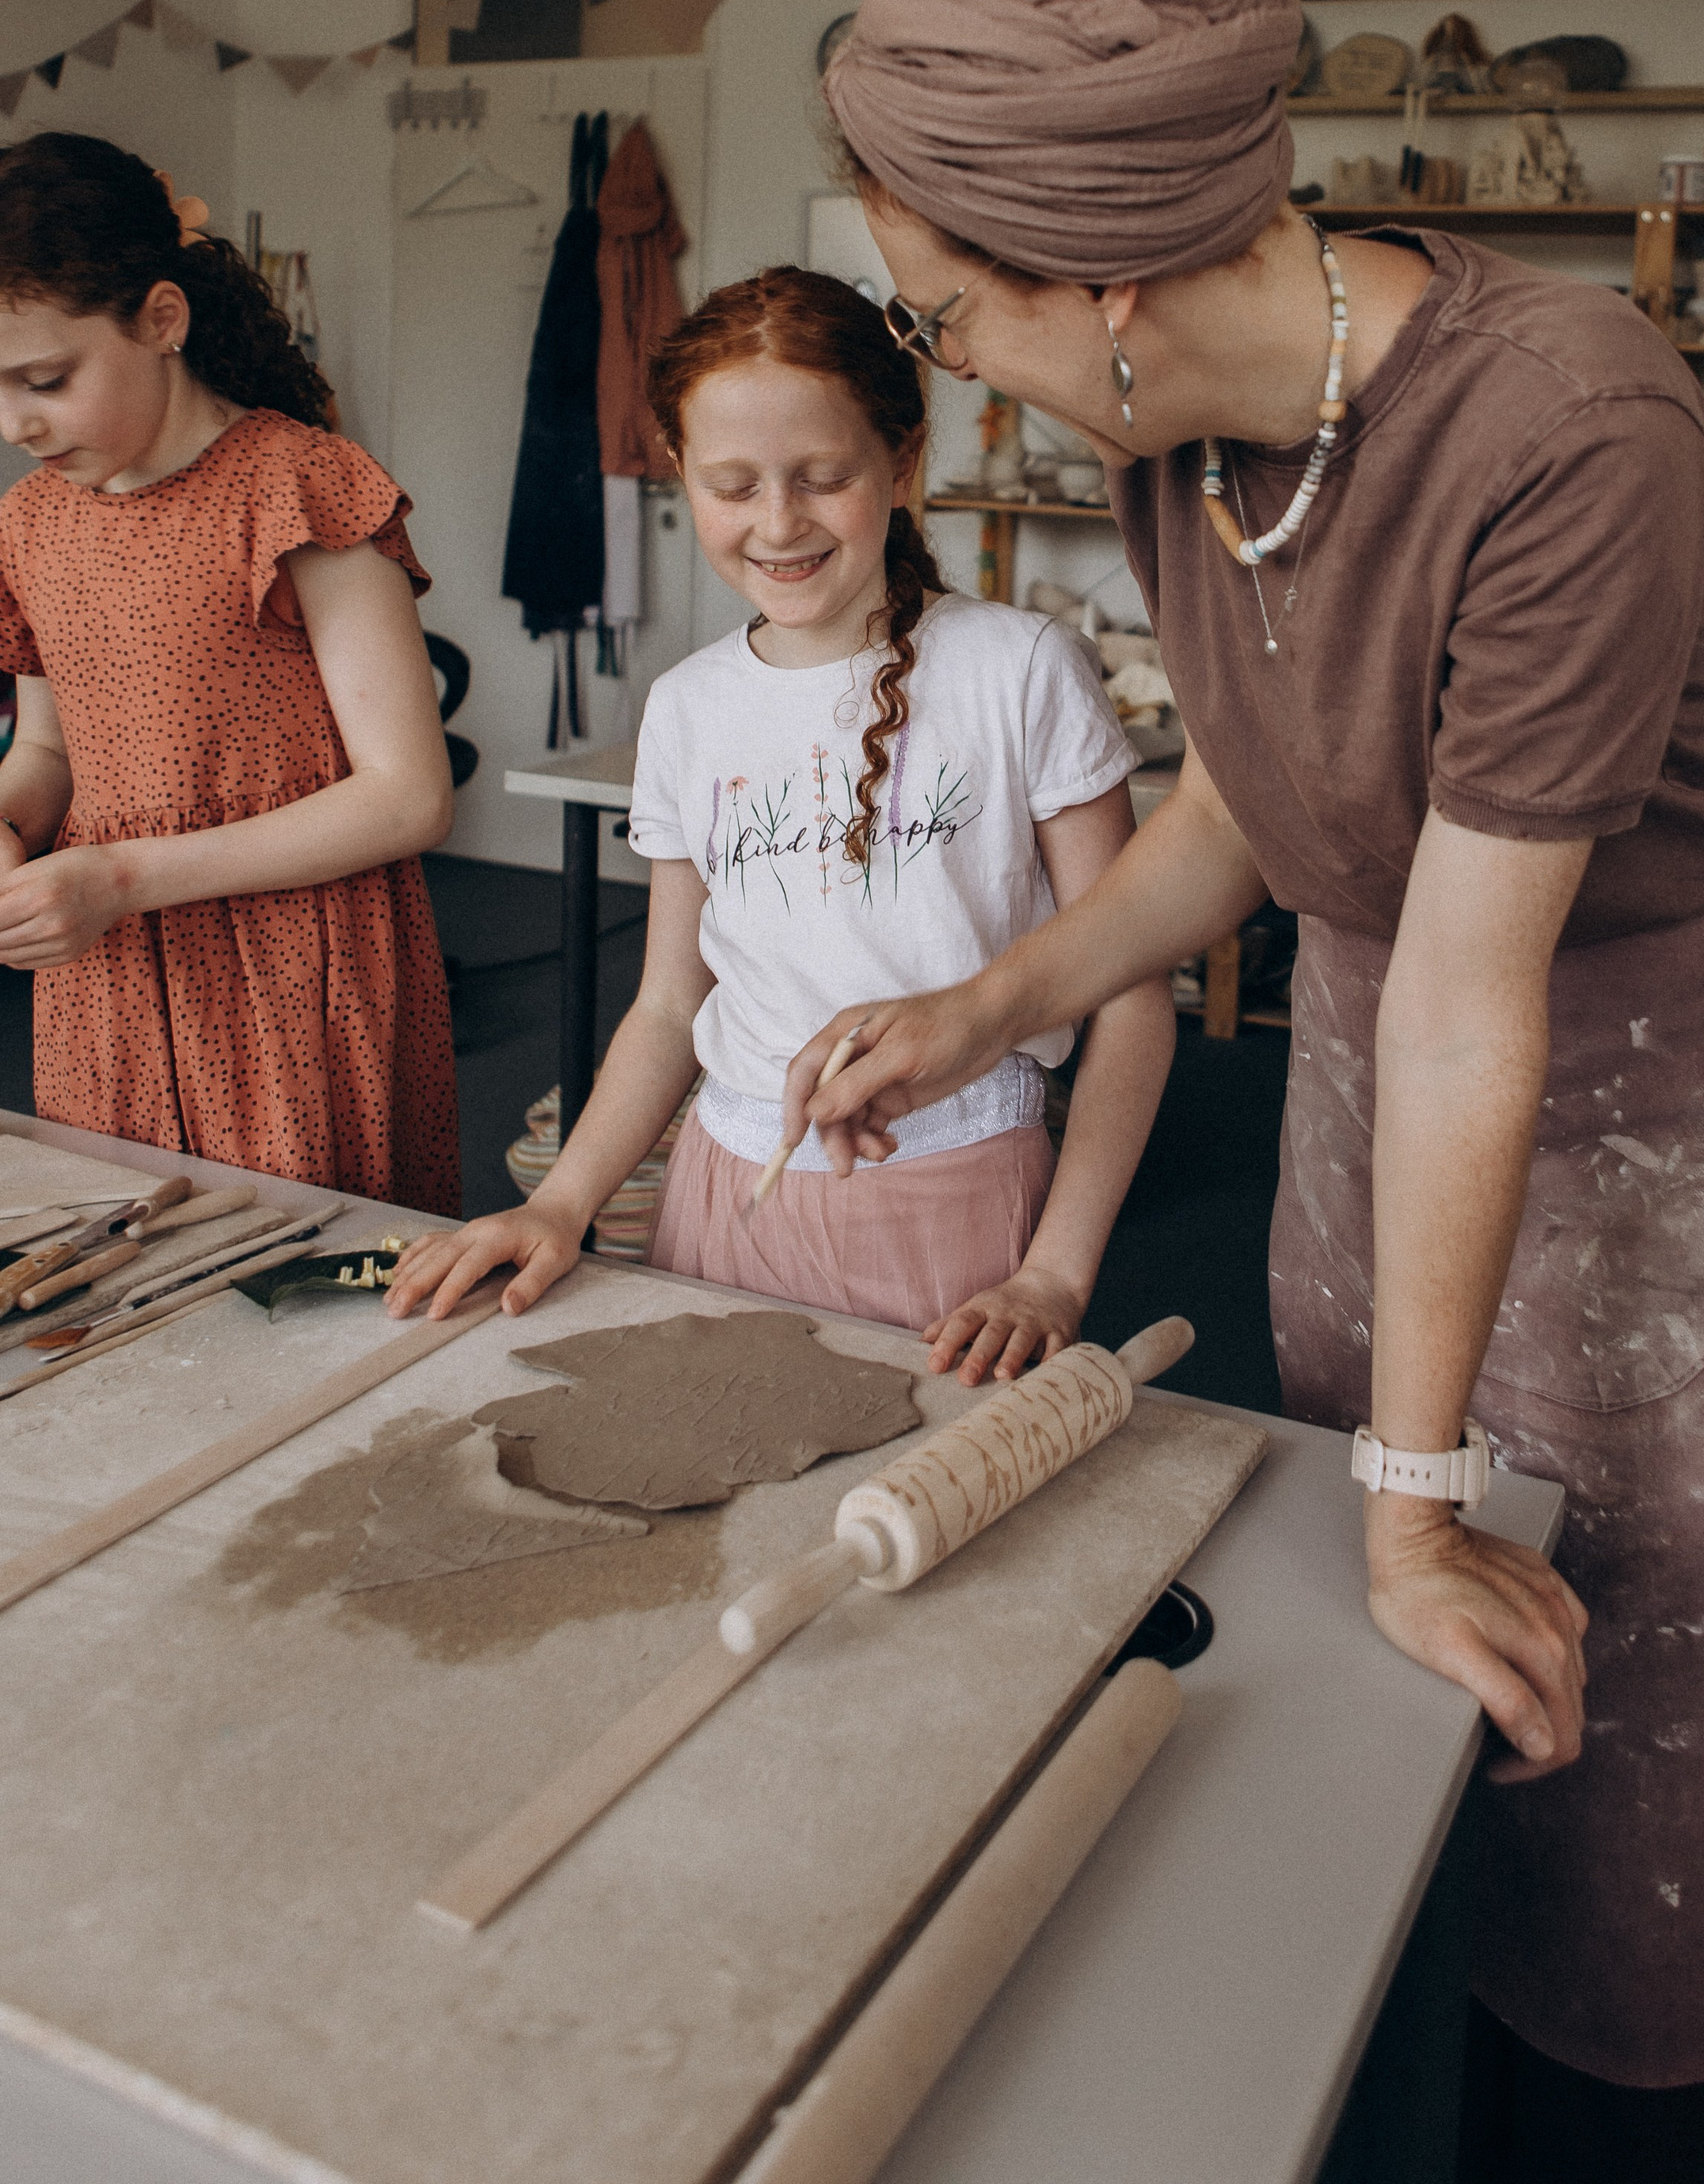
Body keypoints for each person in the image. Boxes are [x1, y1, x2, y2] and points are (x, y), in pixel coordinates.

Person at [774, 0, 1704, 2173]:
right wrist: (988, 998)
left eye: (947, 307)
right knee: (1395, 1661)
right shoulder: (1170, 432)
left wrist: (1414, 1504)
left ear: (1109, 278)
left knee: (1642, 1694)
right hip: (1399, 1072)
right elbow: (1246, 816)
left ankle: (1660, 2107)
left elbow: (1493, 986)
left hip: (1644, 1101)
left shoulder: (1576, 422)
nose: (937, 350)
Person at [388, 265, 1172, 1381]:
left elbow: (1133, 996)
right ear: (682, 477)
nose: (778, 523)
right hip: (724, 1200)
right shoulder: (689, 708)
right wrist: (563, 1204)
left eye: (820, 477)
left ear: (901, 464)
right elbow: (667, 1005)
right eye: (734, 485)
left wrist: (1054, 1272)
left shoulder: (1021, 669)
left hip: (960, 1205)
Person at [0, 135, 459, 1213]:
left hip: (296, 973)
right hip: (108, 983)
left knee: (311, 1293)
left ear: (162, 321)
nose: (15, 425)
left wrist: (122, 878)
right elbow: (48, 754)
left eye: (46, 381)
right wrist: (10, 828)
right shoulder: (25, 526)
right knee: (127, 1279)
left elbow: (410, 796)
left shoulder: (296, 488)